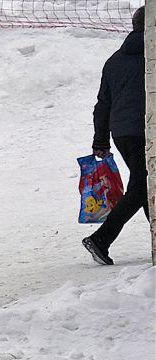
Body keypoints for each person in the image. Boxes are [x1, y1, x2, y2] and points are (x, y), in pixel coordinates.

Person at [82, 6, 148, 266]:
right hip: (147, 129)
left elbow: (103, 104)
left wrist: (101, 139)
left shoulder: (114, 60)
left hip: (122, 132)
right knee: (143, 187)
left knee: (144, 186)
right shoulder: (152, 54)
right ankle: (100, 239)